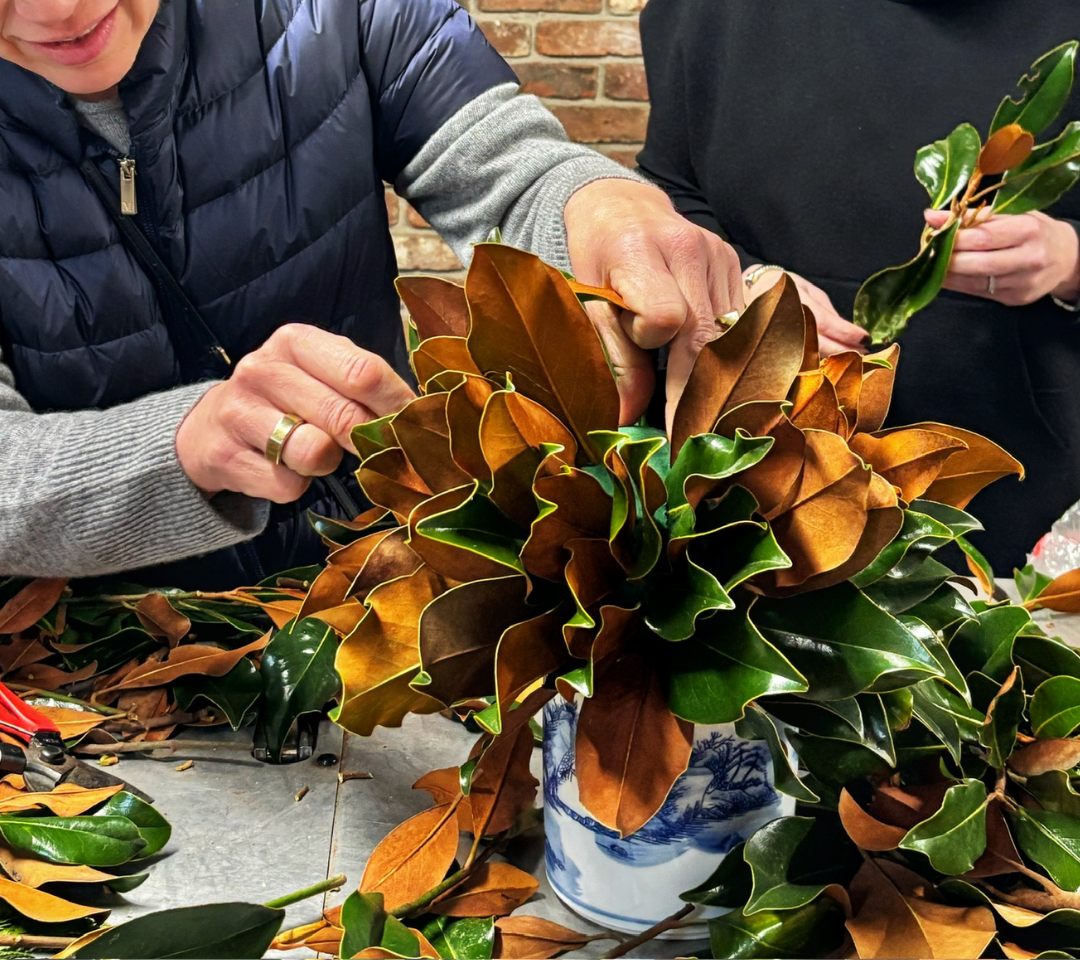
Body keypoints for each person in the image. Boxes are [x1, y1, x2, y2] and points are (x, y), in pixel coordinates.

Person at [0, 0, 743, 587]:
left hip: (388, 586)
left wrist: (606, 210)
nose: (59, 10)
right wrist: (183, 447)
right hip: (77, 670)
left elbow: (509, 168)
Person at [637, 0, 1080, 571]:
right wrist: (744, 282)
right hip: (758, 468)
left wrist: (1069, 257)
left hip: (1017, 479)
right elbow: (671, 187)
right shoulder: (708, 14)